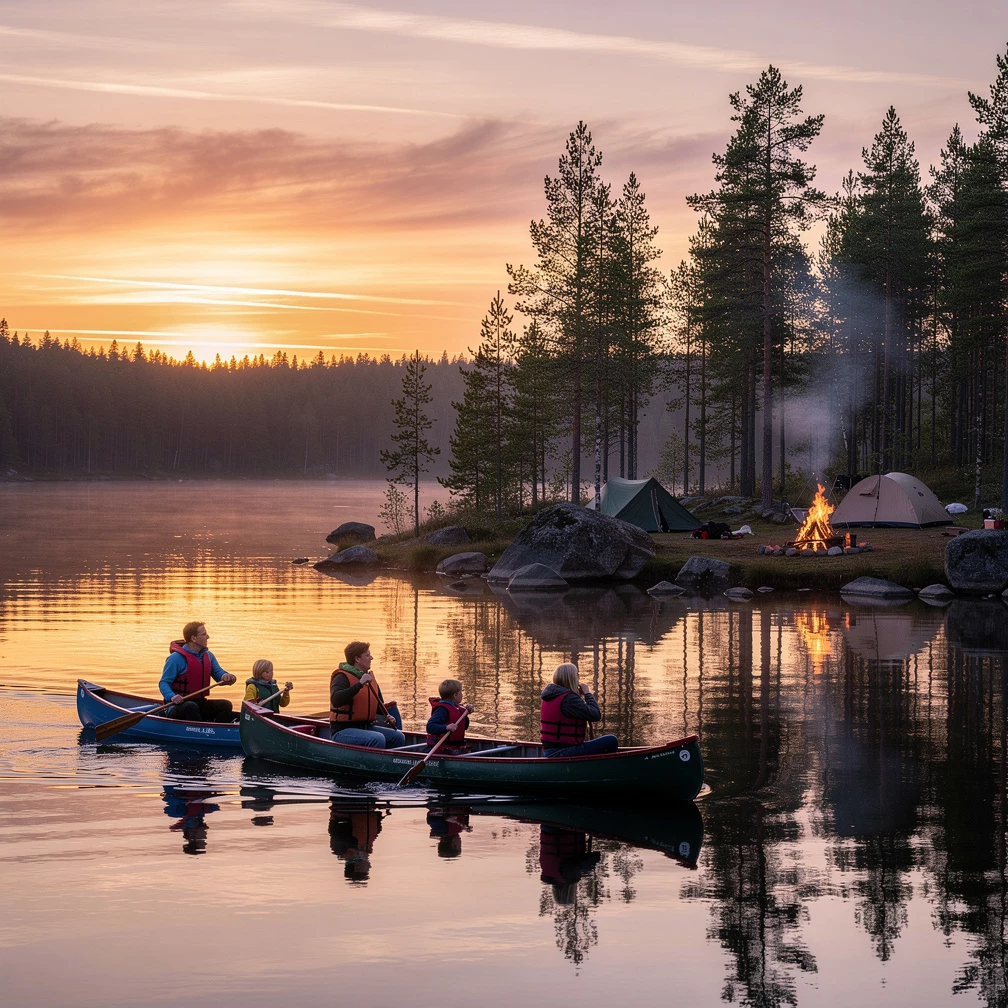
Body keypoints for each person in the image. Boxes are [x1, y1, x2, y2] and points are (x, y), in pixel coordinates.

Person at [329, 641, 405, 748]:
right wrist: (359, 684)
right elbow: (336, 700)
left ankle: (392, 763)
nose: (371, 658)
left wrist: (387, 716)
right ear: (357, 659)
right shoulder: (342, 677)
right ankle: (375, 764)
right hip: (342, 731)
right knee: (377, 739)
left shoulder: (369, 678)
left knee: (398, 736)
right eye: (367, 655)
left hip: (366, 727)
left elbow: (377, 705)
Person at [158, 621, 237, 722]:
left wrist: (227, 676)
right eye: (204, 634)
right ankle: (200, 730)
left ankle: (215, 730)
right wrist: (172, 697)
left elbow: (218, 673)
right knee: (190, 707)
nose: (207, 637)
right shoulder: (175, 658)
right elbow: (164, 683)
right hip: (177, 706)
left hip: (200, 703)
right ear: (193, 638)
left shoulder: (208, 656)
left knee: (225, 705)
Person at [540, 662, 618, 757]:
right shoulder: (569, 699)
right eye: (577, 676)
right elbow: (595, 715)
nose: (578, 679)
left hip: (549, 751)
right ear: (571, 678)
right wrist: (587, 694)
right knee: (611, 740)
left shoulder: (550, 695)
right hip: (563, 751)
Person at [425, 678, 474, 755]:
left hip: (455, 747)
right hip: (442, 749)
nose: (462, 695)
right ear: (455, 695)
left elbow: (465, 726)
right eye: (460, 692)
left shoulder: (457, 708)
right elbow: (430, 727)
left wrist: (466, 714)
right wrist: (446, 727)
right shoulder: (442, 710)